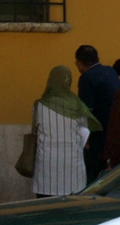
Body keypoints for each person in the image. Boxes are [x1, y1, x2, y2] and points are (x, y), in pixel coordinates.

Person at [31, 65, 102, 197]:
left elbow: (35, 129)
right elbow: (84, 129)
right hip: (72, 164)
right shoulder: (77, 105)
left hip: (47, 165)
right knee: (71, 203)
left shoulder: (39, 105)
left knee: (46, 205)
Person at [74, 44, 120, 181]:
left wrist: (86, 139)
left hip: (98, 135)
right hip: (113, 131)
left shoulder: (87, 78)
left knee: (92, 177)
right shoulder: (111, 72)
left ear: (79, 63)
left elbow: (86, 111)